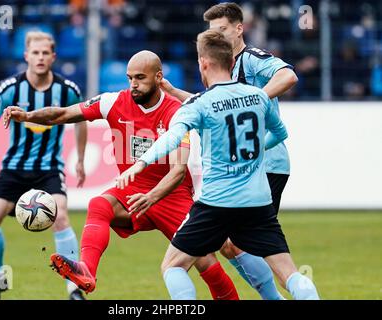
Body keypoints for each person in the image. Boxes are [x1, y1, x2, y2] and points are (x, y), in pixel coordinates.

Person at [3, 50, 240, 300]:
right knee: (99, 204)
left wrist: (151, 197)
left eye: (140, 78)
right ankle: (87, 272)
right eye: (129, 78)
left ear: (159, 77)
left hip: (171, 195)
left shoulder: (178, 112)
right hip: (131, 190)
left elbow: (178, 171)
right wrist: (28, 116)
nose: (133, 85)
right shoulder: (114, 102)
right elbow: (63, 114)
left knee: (206, 261)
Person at [117, 30, 320, 300]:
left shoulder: (199, 103)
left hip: (216, 204)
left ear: (204, 63)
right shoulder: (258, 97)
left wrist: (140, 163)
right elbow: (281, 134)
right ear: (230, 61)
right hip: (258, 202)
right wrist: (257, 150)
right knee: (290, 274)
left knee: (173, 266)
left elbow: (172, 137)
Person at [160, 2, 298, 300]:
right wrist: (172, 93)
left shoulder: (252, 58)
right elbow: (211, 105)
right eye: (212, 32)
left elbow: (288, 76)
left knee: (246, 247)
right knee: (231, 245)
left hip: (266, 162)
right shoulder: (224, 65)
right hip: (249, 166)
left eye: (222, 30)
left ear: (239, 28)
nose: (217, 37)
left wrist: (253, 99)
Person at [0, 31, 88, 300]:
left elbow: (82, 120)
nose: (40, 57)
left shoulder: (67, 90)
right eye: (35, 53)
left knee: (60, 217)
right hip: (14, 168)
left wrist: (81, 159)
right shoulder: (10, 88)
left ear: (53, 56)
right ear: (26, 55)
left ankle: (73, 288)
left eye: (45, 53)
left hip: (49, 169)